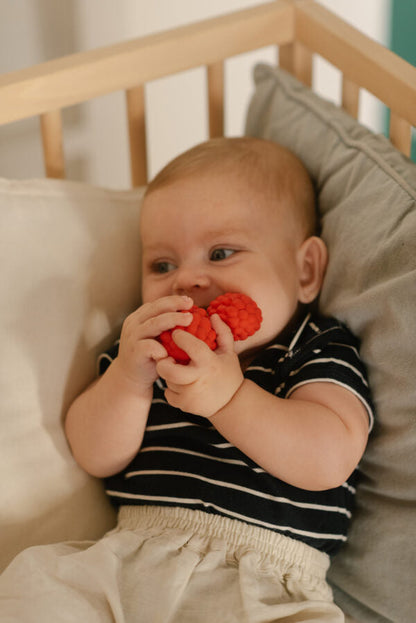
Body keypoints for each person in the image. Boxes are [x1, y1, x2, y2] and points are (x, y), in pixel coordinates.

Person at [0, 137, 373, 622]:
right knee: (35, 590)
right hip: (127, 560)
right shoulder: (146, 352)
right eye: (163, 265)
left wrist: (230, 398)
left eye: (221, 253)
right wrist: (128, 379)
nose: (186, 279)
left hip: (264, 586)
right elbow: (94, 454)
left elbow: (329, 459)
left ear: (305, 271)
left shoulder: (312, 347)